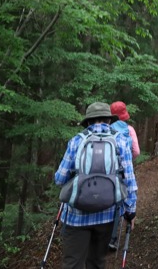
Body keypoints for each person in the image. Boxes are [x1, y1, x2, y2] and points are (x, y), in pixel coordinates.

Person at [54, 102, 137, 269]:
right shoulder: (120, 140)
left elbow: (60, 179)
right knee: (97, 262)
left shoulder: (77, 141)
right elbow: (129, 180)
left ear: (88, 122)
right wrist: (130, 211)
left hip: (76, 216)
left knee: (73, 263)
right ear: (109, 120)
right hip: (107, 214)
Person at [108, 101, 139, 251]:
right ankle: (113, 238)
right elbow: (136, 151)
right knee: (119, 198)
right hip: (123, 170)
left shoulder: (105, 130)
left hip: (105, 173)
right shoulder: (129, 129)